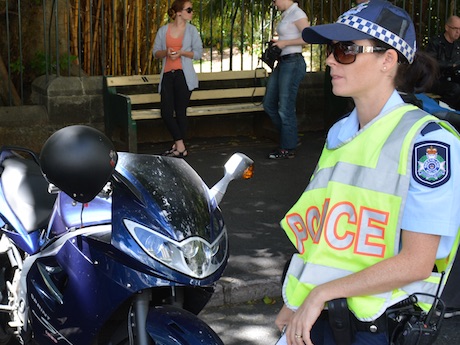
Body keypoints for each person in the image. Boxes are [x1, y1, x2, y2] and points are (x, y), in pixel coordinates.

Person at [274, 1, 460, 345]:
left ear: (388, 60)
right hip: (319, 316)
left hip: (376, 326)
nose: (330, 59)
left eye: (346, 50)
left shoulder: (428, 145)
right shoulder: (341, 133)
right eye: (332, 49)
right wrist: (296, 300)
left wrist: (319, 295)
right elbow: (322, 236)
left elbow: (417, 263)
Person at [153, 0, 203, 158]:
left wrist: (181, 53)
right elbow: (155, 53)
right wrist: (166, 52)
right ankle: (181, 146)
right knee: (166, 112)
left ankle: (178, 147)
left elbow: (198, 53)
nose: (192, 12)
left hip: (184, 75)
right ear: (179, 12)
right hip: (168, 74)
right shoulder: (163, 30)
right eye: (189, 9)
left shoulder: (192, 31)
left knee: (181, 112)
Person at [263, 0, 310, 159]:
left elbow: (309, 37)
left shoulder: (297, 14)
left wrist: (285, 43)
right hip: (283, 62)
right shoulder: (287, 14)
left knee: (285, 107)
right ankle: (290, 137)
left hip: (293, 62)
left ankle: (288, 147)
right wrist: (278, 43)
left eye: (275, 0)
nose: (274, 3)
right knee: (269, 104)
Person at [426, 15, 460, 110]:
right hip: (435, 79)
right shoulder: (435, 42)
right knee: (455, 89)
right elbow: (430, 63)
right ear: (447, 28)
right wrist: (451, 65)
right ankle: (444, 111)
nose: (458, 32)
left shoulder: (458, 46)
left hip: (452, 78)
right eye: (455, 28)